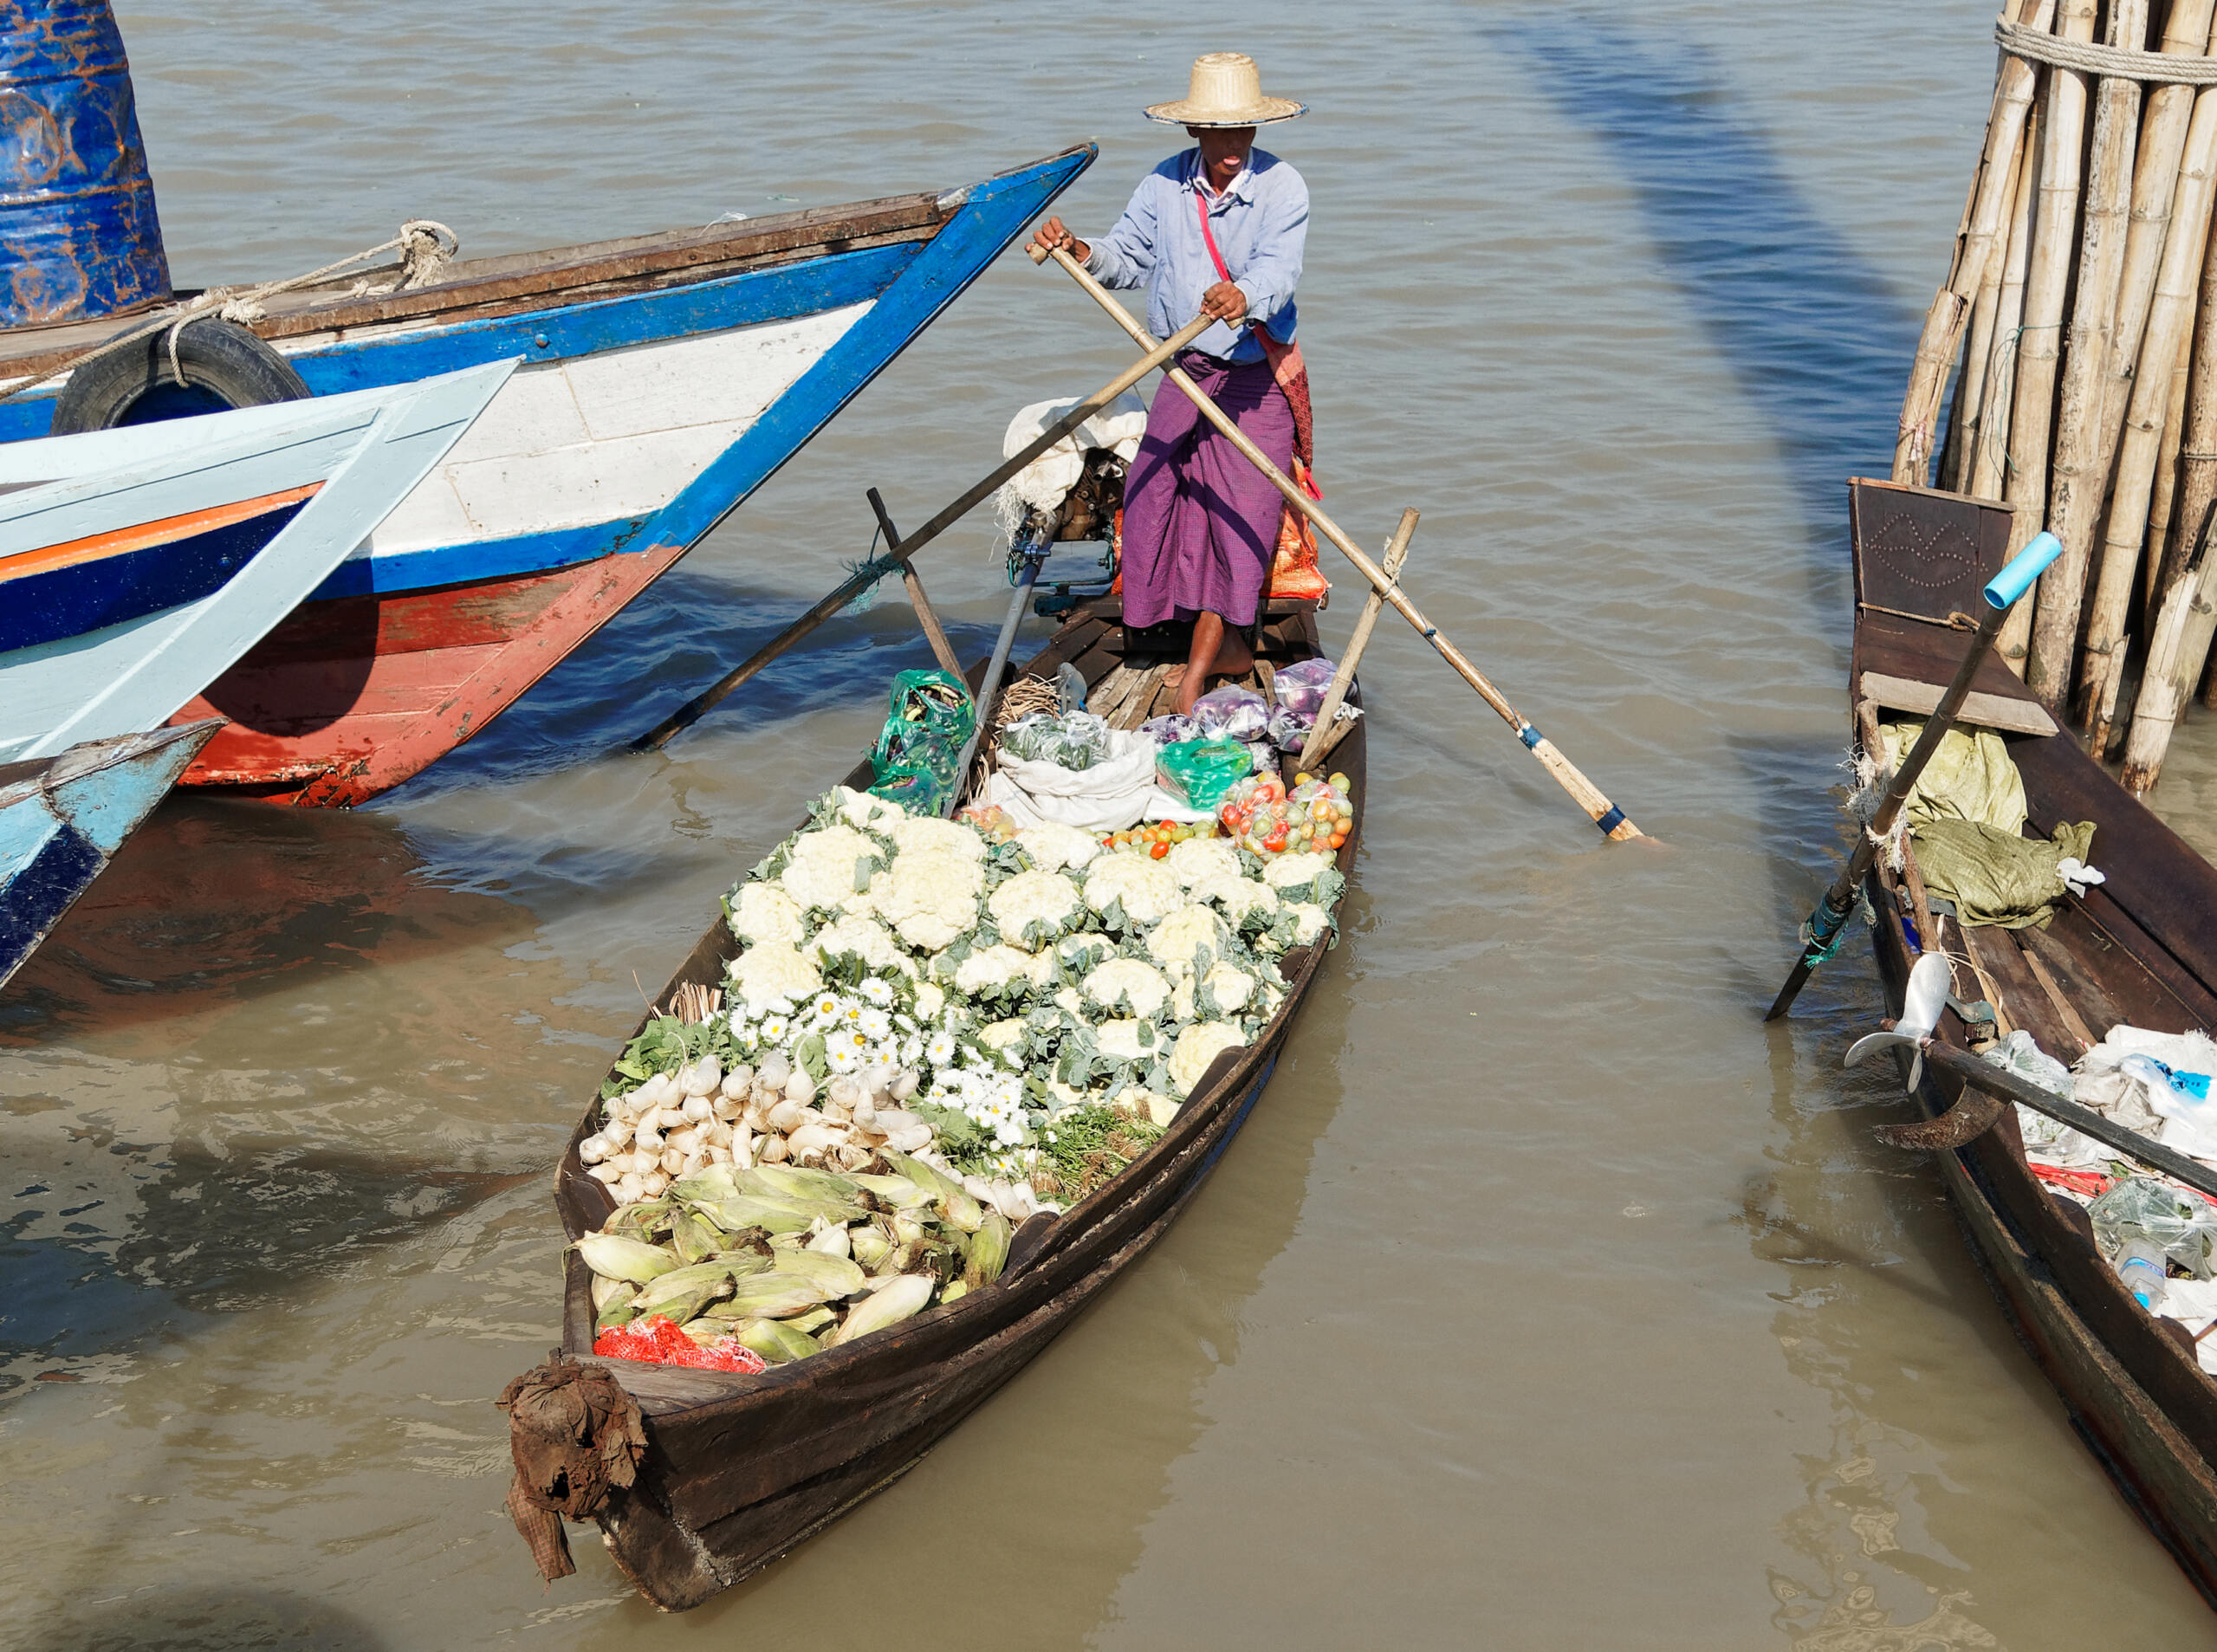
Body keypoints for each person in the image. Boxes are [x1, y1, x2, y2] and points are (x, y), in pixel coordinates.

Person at [1031, 52, 1312, 718]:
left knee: (1241, 510)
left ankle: (1201, 668)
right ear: (1193, 133)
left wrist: (1240, 294)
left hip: (1254, 375)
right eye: (1219, 132)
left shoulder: (1283, 188)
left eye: (1242, 131)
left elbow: (1279, 270)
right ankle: (1182, 630)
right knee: (1152, 491)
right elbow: (1126, 257)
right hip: (1185, 372)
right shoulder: (1163, 187)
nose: (1233, 146)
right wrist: (1078, 250)